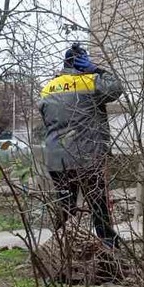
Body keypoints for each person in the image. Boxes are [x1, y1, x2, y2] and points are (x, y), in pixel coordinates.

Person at [39, 43, 124, 247]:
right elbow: (116, 89)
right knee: (98, 206)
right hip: (87, 158)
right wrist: (96, 69)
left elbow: (47, 119)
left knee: (66, 207)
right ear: (81, 63)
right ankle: (108, 247)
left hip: (57, 160)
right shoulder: (89, 81)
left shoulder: (48, 88)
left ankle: (61, 248)